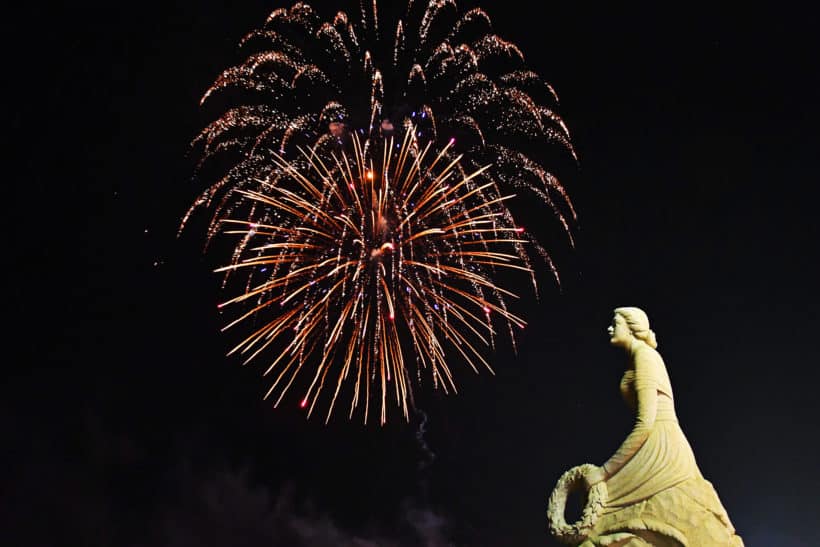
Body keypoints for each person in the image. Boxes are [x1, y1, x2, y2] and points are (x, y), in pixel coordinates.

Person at [581, 307, 744, 546]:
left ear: (632, 327)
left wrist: (604, 472)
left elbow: (645, 423)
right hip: (657, 440)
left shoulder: (645, 357)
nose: (609, 328)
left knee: (602, 516)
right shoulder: (638, 359)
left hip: (659, 446)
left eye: (615, 323)